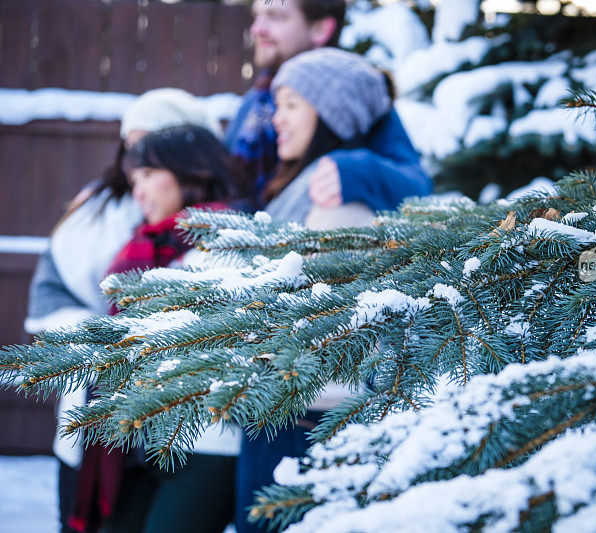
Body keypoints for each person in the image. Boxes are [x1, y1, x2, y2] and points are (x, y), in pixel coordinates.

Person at [25, 87, 226, 533]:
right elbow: (51, 294)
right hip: (99, 411)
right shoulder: (99, 209)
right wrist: (102, 340)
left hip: (177, 430)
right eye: (131, 147)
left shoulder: (221, 231)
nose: (138, 161)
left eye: (151, 148)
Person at [235, 47, 408, 532]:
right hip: (295, 410)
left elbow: (313, 322)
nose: (276, 120)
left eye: (291, 105)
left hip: (304, 417)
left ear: (331, 114)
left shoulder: (336, 202)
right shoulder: (306, 185)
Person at [71, 125, 244, 533]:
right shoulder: (149, 245)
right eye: (134, 180)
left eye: (148, 174)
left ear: (191, 170)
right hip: (142, 441)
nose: (139, 191)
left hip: (205, 447)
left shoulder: (229, 243)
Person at [225, 0, 431, 213]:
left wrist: (361, 172)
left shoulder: (354, 100)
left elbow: (418, 189)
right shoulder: (254, 103)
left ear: (321, 29)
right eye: (257, 16)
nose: (257, 29)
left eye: (276, 16)